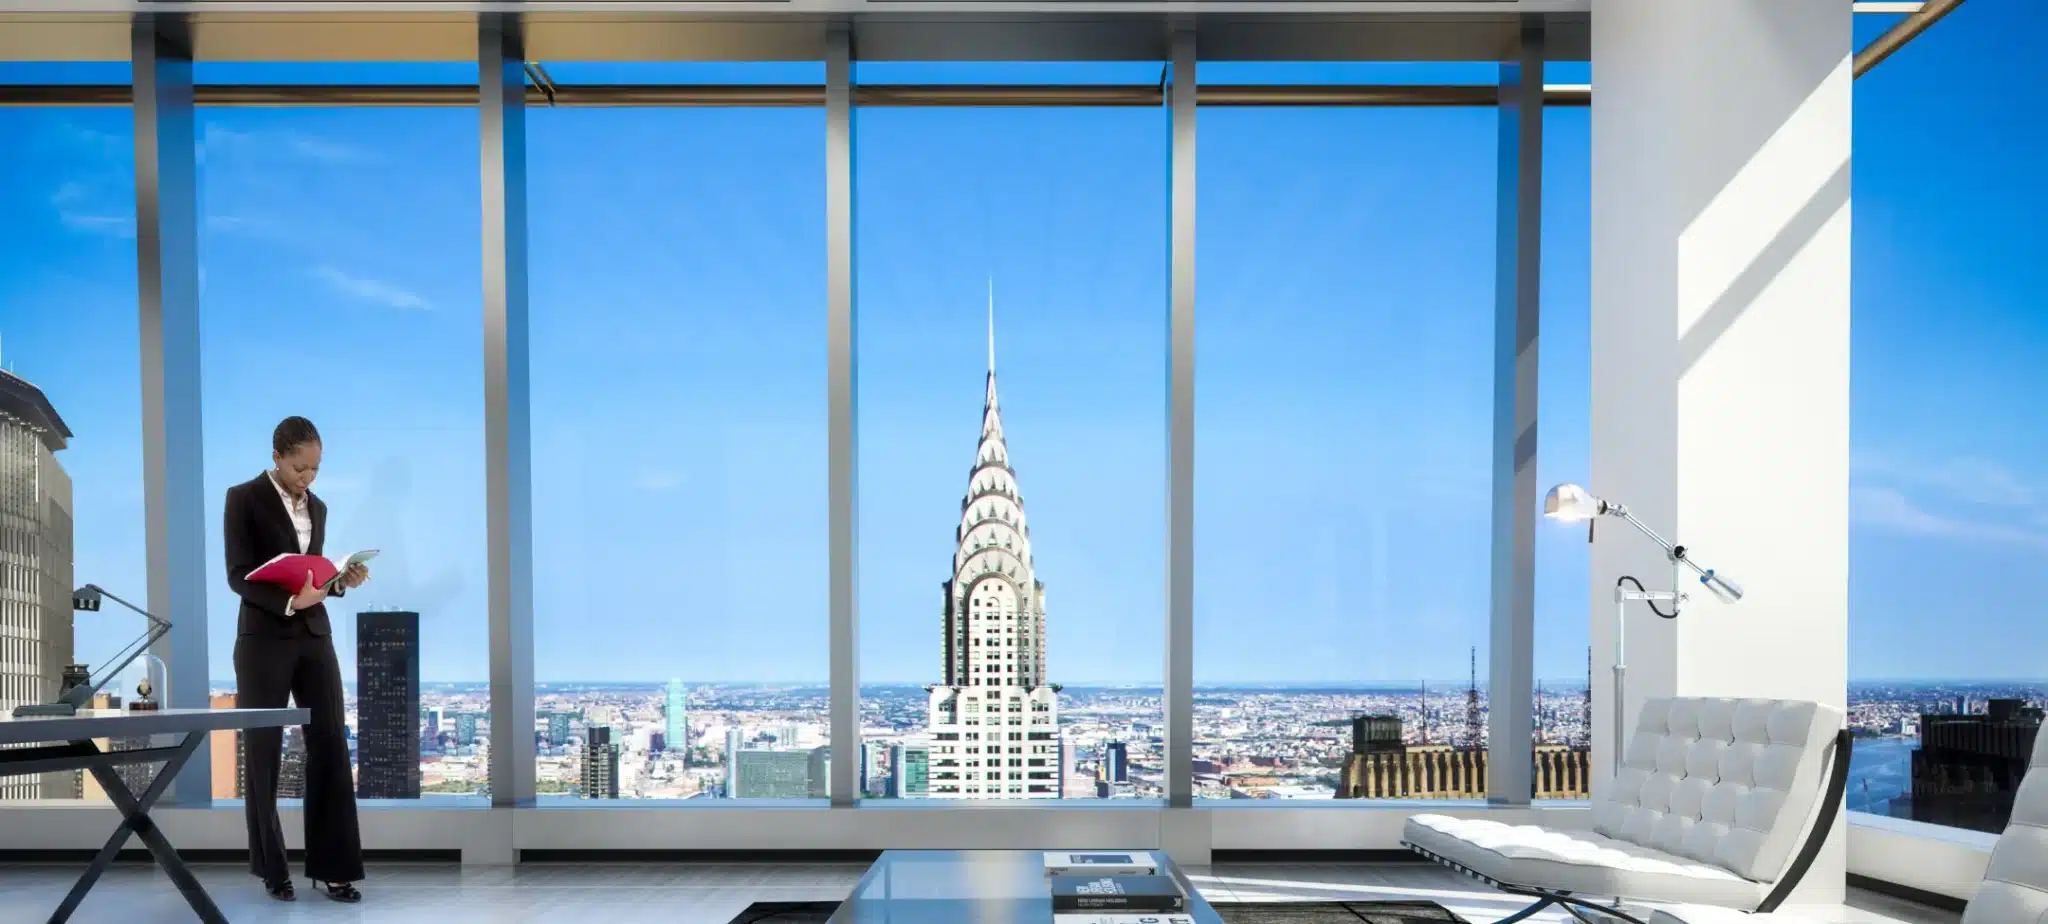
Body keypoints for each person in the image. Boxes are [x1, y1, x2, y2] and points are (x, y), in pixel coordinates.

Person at [224, 416, 371, 903]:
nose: (307, 478)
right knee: (263, 752)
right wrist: (290, 602)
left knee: (329, 742)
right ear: (277, 457)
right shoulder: (242, 498)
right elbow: (239, 575)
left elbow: (315, 572)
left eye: (315, 469)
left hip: (314, 634)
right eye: (299, 468)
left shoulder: (320, 508)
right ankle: (272, 869)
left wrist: (339, 583)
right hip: (264, 635)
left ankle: (335, 869)